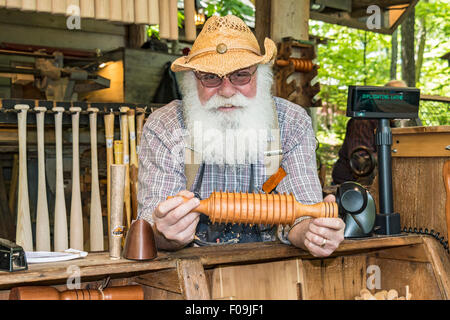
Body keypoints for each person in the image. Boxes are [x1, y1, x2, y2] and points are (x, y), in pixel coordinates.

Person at [138, 15, 344, 258]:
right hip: (189, 272)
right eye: (210, 77)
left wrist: (312, 232)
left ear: (261, 75)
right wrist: (165, 233)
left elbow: (302, 214)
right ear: (193, 79)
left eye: (241, 75)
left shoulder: (292, 123)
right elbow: (152, 225)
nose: (226, 91)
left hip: (272, 271)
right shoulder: (165, 126)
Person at [331, 80, 408, 185]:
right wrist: (394, 153)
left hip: (383, 179)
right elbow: (361, 161)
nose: (400, 103)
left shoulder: (397, 121)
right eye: (395, 98)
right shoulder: (363, 120)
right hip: (352, 184)